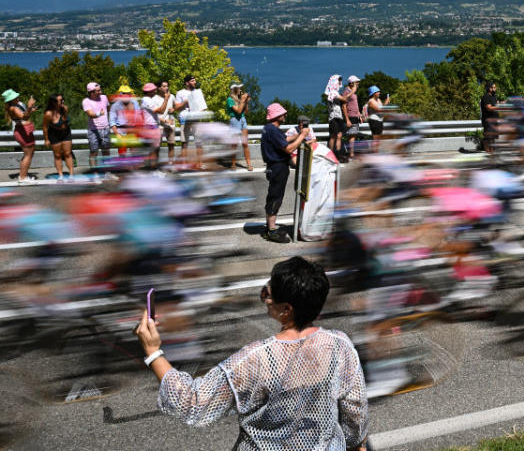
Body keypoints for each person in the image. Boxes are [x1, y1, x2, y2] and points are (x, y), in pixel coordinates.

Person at [134, 256, 368, 451]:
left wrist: (153, 352)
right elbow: (355, 409)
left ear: (286, 310)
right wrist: (357, 444)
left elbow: (192, 401)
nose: (264, 298)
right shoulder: (340, 345)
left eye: (268, 294)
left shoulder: (256, 359)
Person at [261, 102, 311, 243]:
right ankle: (271, 231)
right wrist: (302, 136)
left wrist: (298, 134)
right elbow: (288, 149)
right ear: (277, 116)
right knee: (276, 197)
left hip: (274, 166)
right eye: (283, 113)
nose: (285, 115)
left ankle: (269, 228)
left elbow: (284, 140)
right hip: (278, 167)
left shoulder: (269, 128)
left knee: (273, 196)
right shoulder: (273, 130)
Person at [4, 89, 37, 183]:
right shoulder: (13, 108)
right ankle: (23, 177)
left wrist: (31, 109)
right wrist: (30, 106)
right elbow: (24, 117)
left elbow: (25, 114)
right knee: (28, 155)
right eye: (15, 97)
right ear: (10, 100)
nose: (17, 98)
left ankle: (23, 176)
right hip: (23, 131)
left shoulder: (16, 105)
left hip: (25, 130)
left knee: (29, 154)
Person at [175, 75, 208, 161]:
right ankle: (184, 164)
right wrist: (186, 101)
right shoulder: (180, 93)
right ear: (187, 83)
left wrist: (197, 113)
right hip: (184, 119)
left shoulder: (198, 92)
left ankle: (199, 164)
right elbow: (177, 107)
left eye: (195, 80)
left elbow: (203, 107)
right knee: (184, 143)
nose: (195, 82)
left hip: (196, 120)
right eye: (193, 81)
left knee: (199, 142)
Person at [143, 82, 176, 164]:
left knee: (171, 145)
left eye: (167, 86)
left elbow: (175, 106)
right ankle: (154, 167)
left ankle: (170, 164)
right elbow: (159, 112)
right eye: (164, 86)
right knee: (156, 147)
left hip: (170, 124)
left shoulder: (171, 96)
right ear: (159, 88)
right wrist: (166, 99)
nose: (166, 88)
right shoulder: (152, 99)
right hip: (158, 126)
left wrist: (174, 109)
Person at [42, 93, 74, 178]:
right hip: (54, 134)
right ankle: (61, 175)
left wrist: (65, 111)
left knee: (68, 153)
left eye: (63, 99)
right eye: (60, 100)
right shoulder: (48, 114)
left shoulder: (64, 109)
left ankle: (71, 174)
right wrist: (46, 139)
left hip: (66, 132)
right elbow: (45, 127)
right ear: (54, 102)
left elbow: (65, 121)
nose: (62, 101)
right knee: (57, 155)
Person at [82, 82, 110, 169]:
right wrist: (99, 114)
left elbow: (108, 108)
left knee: (106, 152)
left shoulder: (104, 97)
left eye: (100, 90)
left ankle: (107, 172)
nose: (100, 92)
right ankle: (94, 174)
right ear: (91, 92)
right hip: (93, 130)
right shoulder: (86, 101)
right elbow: (90, 114)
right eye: (98, 91)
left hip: (105, 129)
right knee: (94, 152)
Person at [109, 85, 143, 156]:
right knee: (122, 154)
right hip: (121, 133)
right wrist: (117, 134)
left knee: (135, 153)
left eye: (128, 93)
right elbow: (112, 122)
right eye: (124, 93)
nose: (126, 95)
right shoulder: (115, 106)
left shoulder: (135, 103)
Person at [226, 83, 253, 170]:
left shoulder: (240, 99)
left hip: (242, 120)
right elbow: (238, 111)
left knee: (245, 143)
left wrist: (246, 102)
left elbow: (245, 112)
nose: (241, 90)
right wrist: (242, 100)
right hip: (234, 121)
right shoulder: (230, 99)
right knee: (234, 144)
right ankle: (233, 164)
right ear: (234, 89)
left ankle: (249, 164)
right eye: (239, 88)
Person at [325, 75, 347, 161]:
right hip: (334, 117)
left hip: (338, 116)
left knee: (339, 135)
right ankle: (331, 155)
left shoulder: (335, 92)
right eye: (338, 81)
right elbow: (344, 99)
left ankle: (338, 155)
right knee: (334, 136)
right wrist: (352, 91)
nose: (340, 83)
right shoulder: (333, 92)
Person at [365, 86, 390, 153]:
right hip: (374, 121)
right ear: (373, 93)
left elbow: (382, 109)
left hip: (379, 120)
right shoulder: (371, 101)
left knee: (378, 139)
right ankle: (375, 153)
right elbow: (380, 110)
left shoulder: (378, 100)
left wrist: (385, 104)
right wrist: (386, 103)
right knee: (376, 138)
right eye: (377, 92)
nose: (379, 93)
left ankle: (376, 152)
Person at [343, 76, 363, 159]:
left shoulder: (352, 92)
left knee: (353, 136)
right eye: (356, 82)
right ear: (351, 83)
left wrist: (359, 115)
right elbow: (344, 106)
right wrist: (347, 119)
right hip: (351, 116)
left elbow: (355, 105)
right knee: (352, 136)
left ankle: (350, 153)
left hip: (355, 116)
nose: (358, 83)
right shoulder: (346, 92)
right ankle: (351, 154)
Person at [480, 81, 499, 154]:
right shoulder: (486, 97)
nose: (495, 89)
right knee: (489, 135)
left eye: (495, 87)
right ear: (489, 88)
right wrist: (498, 107)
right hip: (488, 119)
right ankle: (487, 150)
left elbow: (496, 104)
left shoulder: (494, 96)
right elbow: (489, 107)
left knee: (493, 136)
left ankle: (492, 150)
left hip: (494, 119)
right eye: (493, 87)